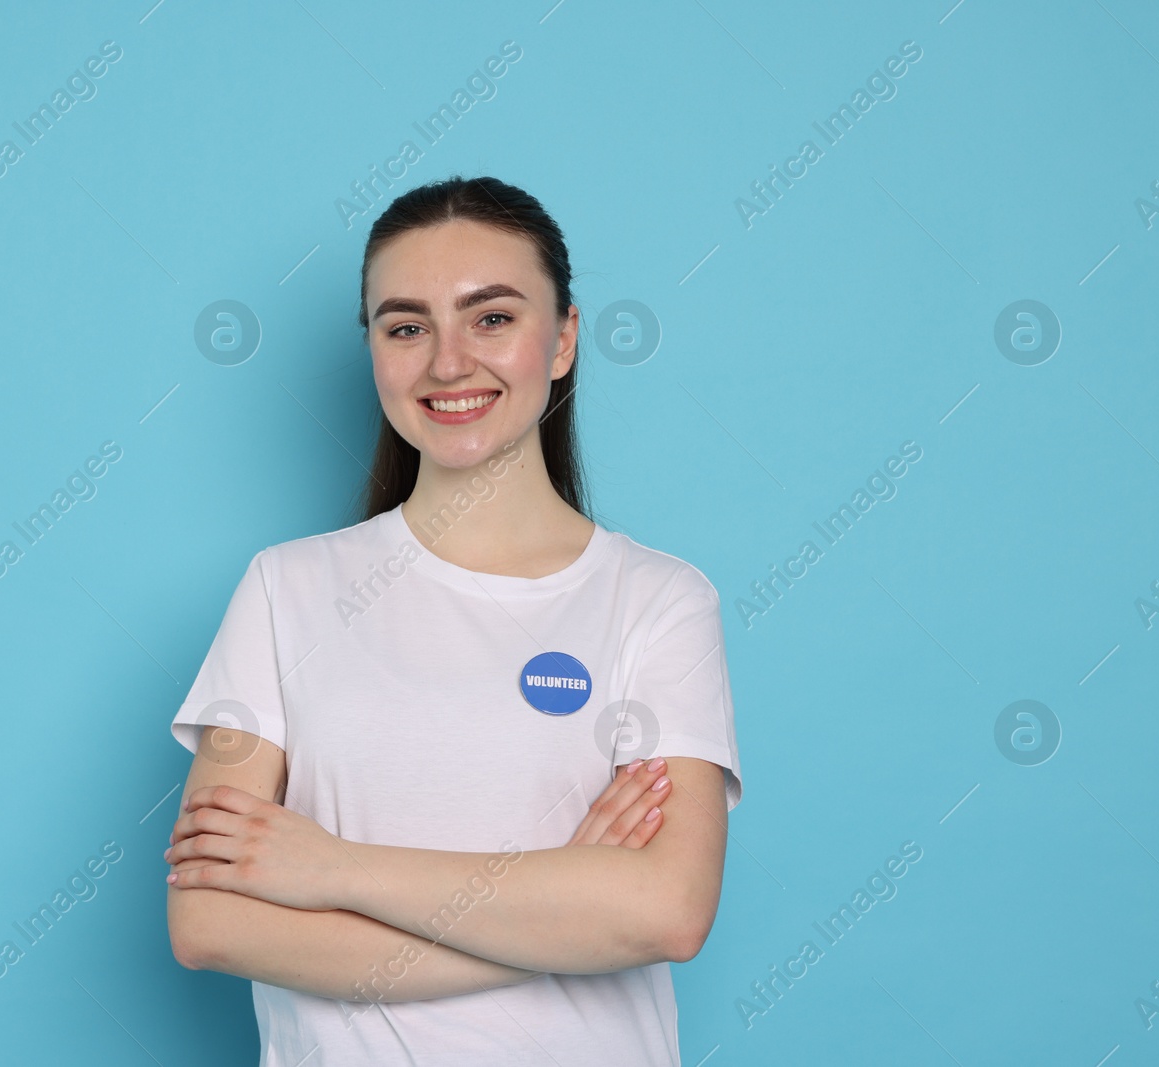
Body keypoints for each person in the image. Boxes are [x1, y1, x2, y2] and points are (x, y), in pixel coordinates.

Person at [165, 175, 742, 1065]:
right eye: (406, 327)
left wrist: (332, 868)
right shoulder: (285, 591)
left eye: (493, 317)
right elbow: (206, 921)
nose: (447, 362)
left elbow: (666, 911)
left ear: (564, 341)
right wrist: (556, 914)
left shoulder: (658, 600)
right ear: (376, 352)